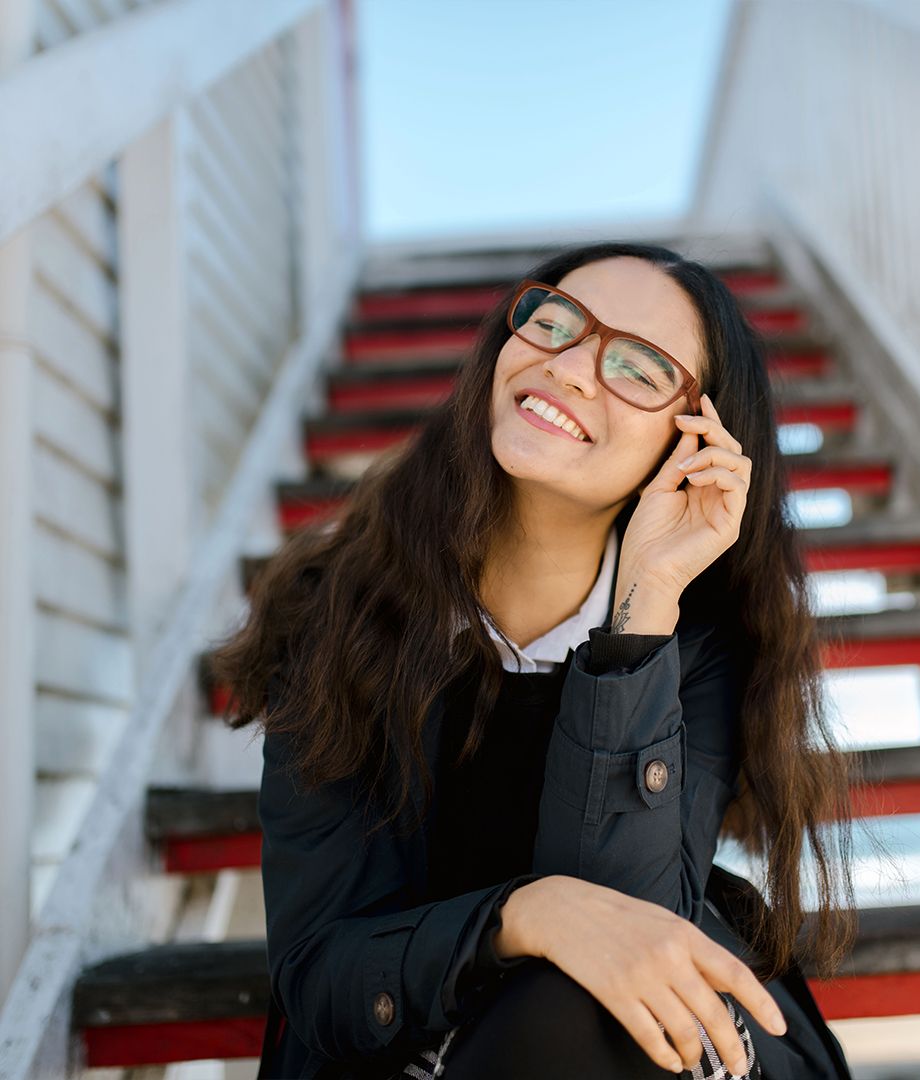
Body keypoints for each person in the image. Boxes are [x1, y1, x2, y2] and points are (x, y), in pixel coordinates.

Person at [209, 241, 865, 1079]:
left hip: (636, 1041)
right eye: (557, 322)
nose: (575, 368)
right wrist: (527, 915)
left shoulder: (697, 640)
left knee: (578, 1008)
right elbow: (324, 971)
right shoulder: (337, 608)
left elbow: (632, 933)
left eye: (640, 366)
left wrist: (640, 620)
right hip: (402, 1048)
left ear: (694, 442)